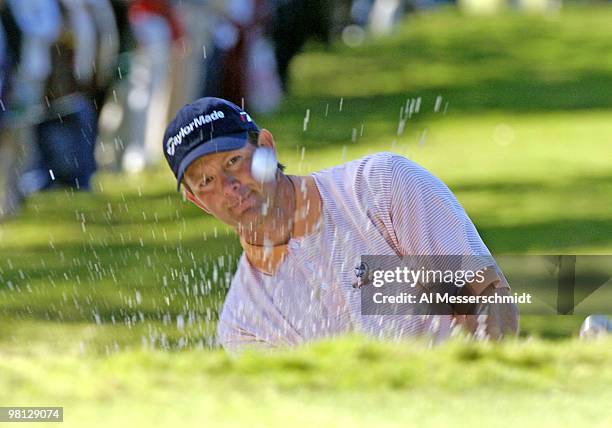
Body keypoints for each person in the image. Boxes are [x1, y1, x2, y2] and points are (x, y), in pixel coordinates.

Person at [163, 97, 519, 355]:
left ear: (267, 149)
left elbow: (487, 303)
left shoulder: (381, 188)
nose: (229, 187)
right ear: (196, 200)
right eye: (206, 181)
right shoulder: (244, 322)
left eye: (234, 161)